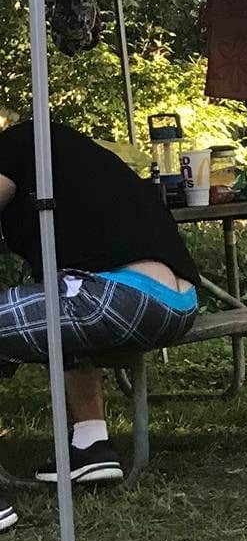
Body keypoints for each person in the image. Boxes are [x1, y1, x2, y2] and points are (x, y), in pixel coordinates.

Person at [0, 116, 200, 513]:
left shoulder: (18, 143)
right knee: (57, 313)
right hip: (177, 301)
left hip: (120, 295)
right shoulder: (67, 156)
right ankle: (92, 446)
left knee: (64, 302)